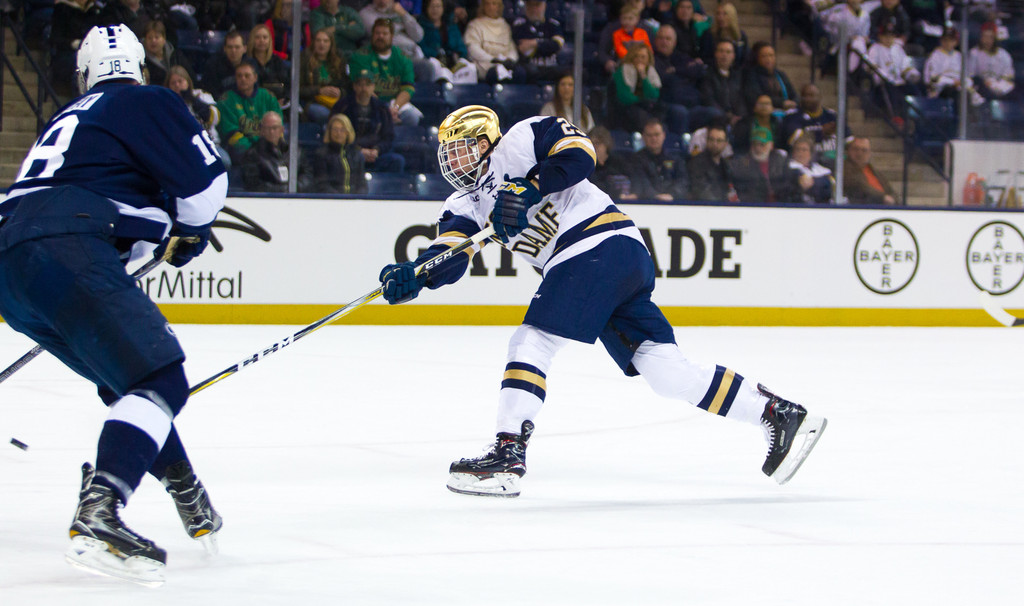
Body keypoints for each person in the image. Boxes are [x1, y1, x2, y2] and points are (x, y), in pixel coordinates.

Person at [374, 104, 827, 498]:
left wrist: (530, 185)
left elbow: (581, 153)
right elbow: (450, 255)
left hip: (598, 243)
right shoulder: (463, 204)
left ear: (487, 140)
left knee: (532, 341)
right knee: (667, 372)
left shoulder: (521, 138)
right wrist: (416, 276)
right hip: (610, 260)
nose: (453, 159)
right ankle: (776, 412)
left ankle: (508, 454)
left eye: (463, 147)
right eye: (448, 152)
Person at [0, 24, 225, 586]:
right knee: (161, 378)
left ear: (83, 76)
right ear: (140, 69)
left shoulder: (70, 121)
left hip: (12, 260)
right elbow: (205, 189)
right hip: (68, 240)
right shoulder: (143, 100)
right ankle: (102, 509)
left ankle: (183, 485)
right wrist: (192, 232)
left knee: (127, 379)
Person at [349, 18, 424, 126]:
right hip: (368, 103)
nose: (380, 37)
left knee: (411, 117)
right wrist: (384, 110)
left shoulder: (402, 57)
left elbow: (408, 88)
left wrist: (395, 107)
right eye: (377, 33)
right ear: (372, 35)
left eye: (385, 33)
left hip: (394, 104)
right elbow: (362, 88)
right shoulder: (360, 56)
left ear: (392, 36)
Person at [330, 69, 406, 173]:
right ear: (354, 87)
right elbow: (335, 136)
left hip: (375, 155)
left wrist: (377, 150)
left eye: (367, 85)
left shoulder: (382, 108)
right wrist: (358, 151)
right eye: (360, 85)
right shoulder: (342, 107)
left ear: (373, 87)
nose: (364, 88)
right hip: (350, 153)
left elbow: (388, 137)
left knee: (397, 160)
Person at [217, 61, 284, 163]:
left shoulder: (268, 97)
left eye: (247, 76)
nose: (243, 79)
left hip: (267, 145)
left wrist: (268, 146)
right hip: (241, 149)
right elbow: (231, 134)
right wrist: (255, 150)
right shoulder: (226, 100)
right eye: (239, 76)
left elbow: (278, 126)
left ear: (255, 78)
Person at [165, 65, 229, 169]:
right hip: (185, 148)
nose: (177, 85)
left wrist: (194, 101)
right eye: (173, 83)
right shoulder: (167, 103)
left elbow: (215, 119)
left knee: (225, 161)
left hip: (210, 144)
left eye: (180, 81)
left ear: (187, 81)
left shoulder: (201, 95)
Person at [779, 83, 844, 162]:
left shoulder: (832, 115)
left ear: (820, 97)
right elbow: (796, 138)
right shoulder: (792, 116)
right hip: (801, 163)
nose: (807, 99)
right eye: (805, 96)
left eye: (811, 95)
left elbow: (848, 140)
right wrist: (822, 132)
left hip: (831, 162)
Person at [300, 28, 351, 125]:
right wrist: (319, 90)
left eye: (325, 41)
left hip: (335, 101)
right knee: (325, 114)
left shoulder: (339, 59)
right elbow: (298, 89)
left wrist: (340, 92)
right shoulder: (304, 59)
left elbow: (347, 86)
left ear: (331, 44)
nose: (321, 44)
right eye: (318, 40)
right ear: (313, 42)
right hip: (312, 102)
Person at [629, 118, 689, 201]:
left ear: (663, 135)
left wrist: (672, 195)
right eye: (649, 135)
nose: (653, 138)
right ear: (643, 137)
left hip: (674, 203)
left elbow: (682, 181)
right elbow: (641, 183)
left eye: (657, 135)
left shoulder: (675, 159)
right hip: (647, 204)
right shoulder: (635, 160)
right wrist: (656, 197)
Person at [310, 113, 368, 194]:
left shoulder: (357, 155)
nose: (339, 133)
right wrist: (339, 199)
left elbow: (362, 184)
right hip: (332, 201)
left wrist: (356, 198)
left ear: (348, 132)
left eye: (342, 130)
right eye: (335, 129)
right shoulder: (321, 155)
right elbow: (322, 184)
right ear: (329, 132)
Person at [418, 0, 475, 83]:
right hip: (435, 63)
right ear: (426, 8)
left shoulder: (451, 25)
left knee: (470, 67)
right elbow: (421, 47)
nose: (435, 10)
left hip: (453, 63)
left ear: (443, 9)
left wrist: (456, 54)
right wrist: (436, 55)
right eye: (432, 6)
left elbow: (461, 46)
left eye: (438, 6)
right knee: (436, 67)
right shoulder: (422, 26)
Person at [611, 44, 664, 133]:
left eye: (643, 57)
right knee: (640, 115)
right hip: (627, 107)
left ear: (648, 59)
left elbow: (654, 95)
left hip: (646, 106)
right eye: (636, 56)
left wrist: (643, 76)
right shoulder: (622, 71)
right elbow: (624, 96)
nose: (639, 60)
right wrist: (642, 100)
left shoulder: (651, 72)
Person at [730, 126, 792, 203]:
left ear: (771, 145)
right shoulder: (741, 165)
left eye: (762, 144)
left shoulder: (780, 161)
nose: (758, 148)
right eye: (755, 144)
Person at [464, 0, 520, 83]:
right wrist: (493, 59)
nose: (490, 7)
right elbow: (473, 49)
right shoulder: (475, 25)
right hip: (485, 65)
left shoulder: (505, 26)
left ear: (499, 7)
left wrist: (509, 60)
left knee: (520, 73)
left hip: (505, 64)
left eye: (494, 4)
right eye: (487, 4)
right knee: (495, 73)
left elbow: (512, 49)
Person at [511, 0, 565, 83]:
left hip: (551, 67)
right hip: (530, 68)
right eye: (530, 5)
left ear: (544, 6)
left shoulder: (553, 25)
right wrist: (547, 44)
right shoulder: (520, 25)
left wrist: (534, 43)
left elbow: (557, 45)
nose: (534, 9)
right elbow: (524, 49)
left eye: (537, 5)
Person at [240, 111, 294, 192]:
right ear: (261, 130)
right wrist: (283, 189)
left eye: (275, 128)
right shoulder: (253, 154)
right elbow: (254, 184)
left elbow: (307, 177)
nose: (271, 132)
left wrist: (295, 187)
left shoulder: (294, 152)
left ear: (282, 130)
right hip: (267, 200)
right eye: (268, 128)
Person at [699, 39, 746, 127]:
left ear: (733, 56)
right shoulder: (707, 75)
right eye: (721, 51)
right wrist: (727, 116)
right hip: (717, 118)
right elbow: (708, 99)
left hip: (737, 119)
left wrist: (739, 115)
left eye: (728, 52)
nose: (724, 55)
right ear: (715, 54)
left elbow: (741, 98)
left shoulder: (738, 76)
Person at [359, 0, 425, 60]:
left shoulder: (400, 12)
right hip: (389, 58)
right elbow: (380, 31)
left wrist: (404, 15)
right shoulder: (366, 13)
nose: (382, 1)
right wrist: (402, 28)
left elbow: (418, 36)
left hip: (413, 53)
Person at [743, 41, 798, 113]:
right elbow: (756, 97)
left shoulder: (780, 74)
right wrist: (782, 103)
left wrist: (794, 102)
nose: (768, 59)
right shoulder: (752, 75)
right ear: (757, 58)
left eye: (771, 55)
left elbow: (793, 94)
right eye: (764, 56)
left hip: (787, 112)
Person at [141, 20, 194, 91]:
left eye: (157, 37)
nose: (153, 41)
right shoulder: (142, 61)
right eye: (149, 38)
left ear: (164, 39)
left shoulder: (176, 55)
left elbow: (190, 76)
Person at [688, 124, 737, 201]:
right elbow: (700, 191)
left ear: (725, 143)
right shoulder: (697, 163)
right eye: (712, 139)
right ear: (707, 140)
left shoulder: (726, 165)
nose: (715, 144)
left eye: (719, 140)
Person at [968, 22, 1014, 101]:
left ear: (995, 38)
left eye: (990, 37)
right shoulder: (974, 53)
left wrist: (997, 83)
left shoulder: (1004, 54)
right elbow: (970, 74)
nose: (987, 40)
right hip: (980, 85)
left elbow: (1008, 75)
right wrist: (983, 81)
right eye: (985, 37)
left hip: (998, 84)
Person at [248, 24, 292, 107]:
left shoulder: (276, 60)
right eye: (257, 37)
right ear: (252, 40)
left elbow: (287, 83)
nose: (261, 40)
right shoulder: (247, 61)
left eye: (265, 37)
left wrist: (285, 99)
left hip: (279, 102)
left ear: (270, 40)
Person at [588, 125, 637, 200]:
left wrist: (635, 193)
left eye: (597, 143)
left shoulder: (618, 161)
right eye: (591, 143)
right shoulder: (587, 165)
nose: (594, 146)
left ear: (606, 144)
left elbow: (634, 177)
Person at [844, 136, 897, 204]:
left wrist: (893, 198)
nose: (859, 154)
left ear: (869, 153)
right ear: (848, 151)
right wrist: (883, 198)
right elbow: (861, 187)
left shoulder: (875, 171)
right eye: (856, 149)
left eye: (864, 150)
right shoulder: (845, 169)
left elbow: (890, 191)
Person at [202, 30, 252, 101]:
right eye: (230, 47)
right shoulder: (213, 65)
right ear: (224, 49)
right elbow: (210, 93)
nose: (233, 51)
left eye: (237, 47)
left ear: (244, 49)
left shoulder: (251, 65)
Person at [787, 135, 834, 204]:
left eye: (804, 150)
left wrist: (813, 182)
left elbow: (827, 189)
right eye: (797, 149)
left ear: (811, 153)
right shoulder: (789, 167)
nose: (800, 153)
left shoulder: (820, 169)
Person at [923, 27, 966, 101]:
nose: (948, 43)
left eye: (951, 40)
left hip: (958, 86)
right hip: (941, 89)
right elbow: (932, 79)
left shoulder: (959, 56)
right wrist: (952, 82)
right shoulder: (935, 55)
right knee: (956, 93)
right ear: (941, 41)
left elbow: (965, 75)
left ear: (956, 42)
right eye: (945, 40)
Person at [699, 1, 748, 66]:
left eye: (725, 14)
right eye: (718, 14)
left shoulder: (741, 36)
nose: (721, 17)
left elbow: (745, 57)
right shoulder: (708, 34)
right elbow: (705, 56)